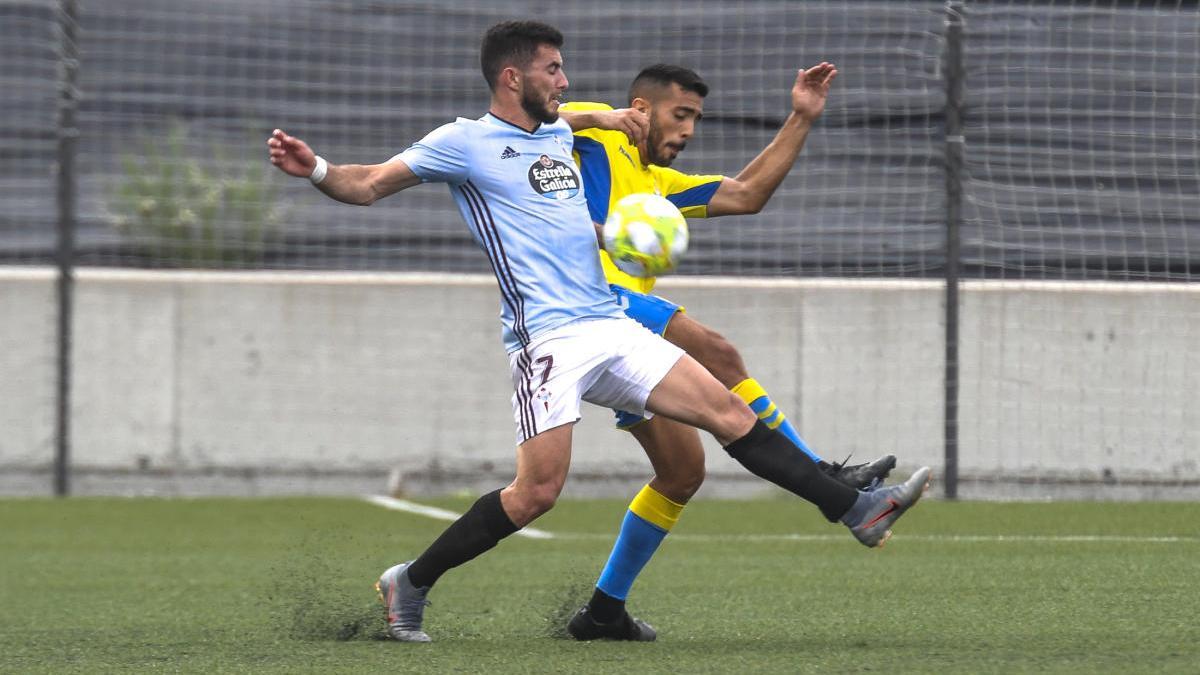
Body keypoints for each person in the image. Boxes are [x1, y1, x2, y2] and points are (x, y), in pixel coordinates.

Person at [267, 20, 931, 643]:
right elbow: (368, 184)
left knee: (726, 410)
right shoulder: (463, 143)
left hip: (608, 326)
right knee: (537, 492)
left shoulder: (558, 138)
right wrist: (318, 170)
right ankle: (409, 581)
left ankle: (853, 508)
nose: (564, 81)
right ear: (510, 79)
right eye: (553, 70)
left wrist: (608, 221)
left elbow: (570, 170)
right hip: (547, 340)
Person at [555, 64, 905, 640]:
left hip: (622, 341)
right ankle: (823, 475)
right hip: (591, 305)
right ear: (641, 108)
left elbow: (746, 195)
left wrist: (801, 117)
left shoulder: (659, 187)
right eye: (681, 114)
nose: (690, 129)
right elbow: (523, 126)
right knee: (718, 350)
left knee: (681, 475)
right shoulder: (597, 137)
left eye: (696, 118)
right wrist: (602, 116)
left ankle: (601, 613)